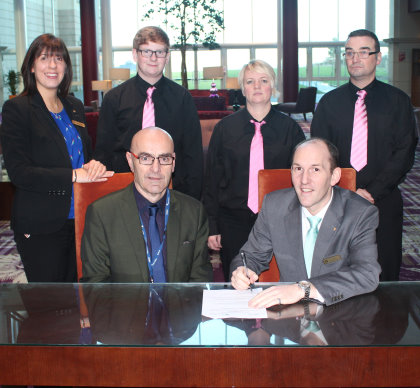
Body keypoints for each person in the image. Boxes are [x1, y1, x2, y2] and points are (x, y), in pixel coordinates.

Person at [0, 33, 113, 283]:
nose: (53, 66)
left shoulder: (74, 106)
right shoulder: (17, 109)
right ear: (31, 65)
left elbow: (82, 156)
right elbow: (19, 173)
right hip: (41, 223)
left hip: (81, 218)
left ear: (65, 67)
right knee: (50, 305)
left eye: (59, 59)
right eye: (44, 58)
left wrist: (93, 165)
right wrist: (74, 175)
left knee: (80, 297)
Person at [311, 29, 418, 281]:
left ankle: (386, 321)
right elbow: (320, 153)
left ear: (378, 58)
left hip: (384, 199)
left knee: (385, 271)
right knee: (335, 272)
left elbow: (405, 153)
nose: (355, 58)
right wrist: (346, 190)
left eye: (363, 52)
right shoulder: (328, 103)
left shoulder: (399, 101)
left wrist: (371, 192)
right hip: (337, 202)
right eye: (349, 53)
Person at [231, 138, 381, 307]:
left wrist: (303, 289)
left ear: (334, 176)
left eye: (315, 169)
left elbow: (367, 274)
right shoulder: (274, 206)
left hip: (339, 315)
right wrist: (243, 271)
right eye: (298, 169)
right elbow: (251, 256)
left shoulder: (359, 213)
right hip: (288, 318)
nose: (304, 180)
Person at [203, 59, 305, 280]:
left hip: (279, 219)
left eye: (263, 80)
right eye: (250, 81)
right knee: (238, 283)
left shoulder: (291, 129)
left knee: (278, 282)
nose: (257, 86)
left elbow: (301, 179)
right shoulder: (225, 129)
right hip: (233, 220)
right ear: (243, 88)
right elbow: (212, 179)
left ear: (273, 86)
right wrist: (212, 226)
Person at [81, 127, 212, 283]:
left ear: (173, 162)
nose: (155, 169)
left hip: (180, 305)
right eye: (145, 158)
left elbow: (200, 281)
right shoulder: (102, 214)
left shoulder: (194, 212)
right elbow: (96, 286)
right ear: (130, 161)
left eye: (164, 158)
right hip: (125, 306)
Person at [93, 26, 203, 200]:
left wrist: (191, 201)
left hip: (174, 192)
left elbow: (193, 155)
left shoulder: (183, 98)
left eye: (159, 52)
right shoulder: (114, 98)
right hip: (124, 191)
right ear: (135, 54)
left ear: (167, 57)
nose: (153, 58)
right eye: (147, 51)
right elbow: (104, 152)